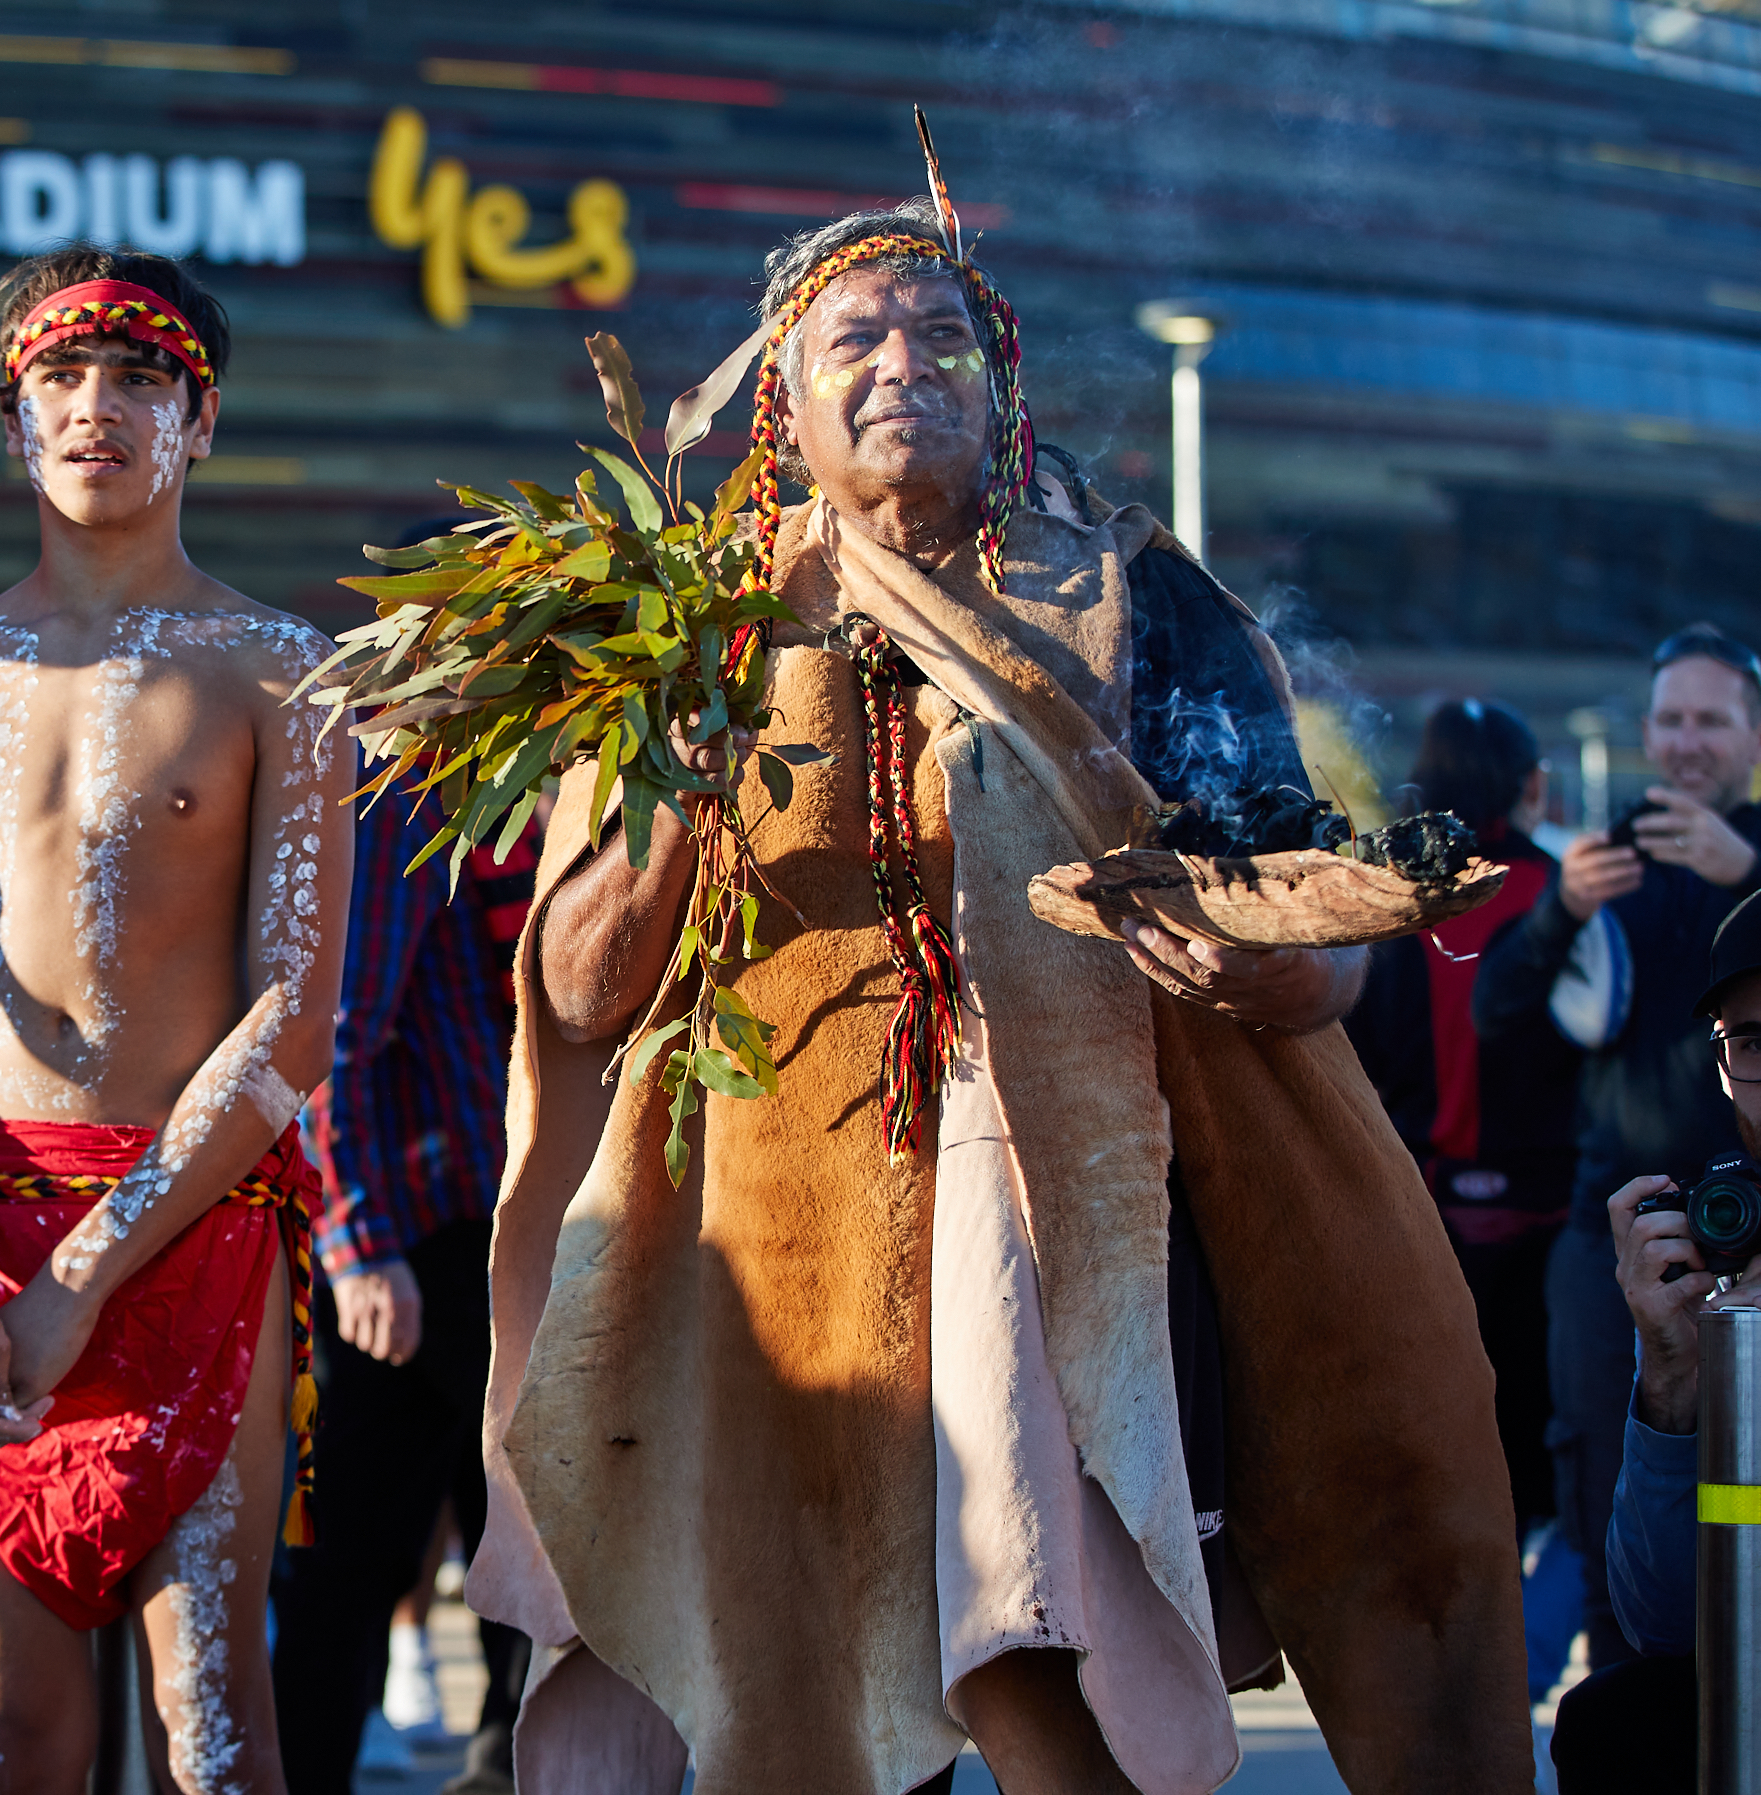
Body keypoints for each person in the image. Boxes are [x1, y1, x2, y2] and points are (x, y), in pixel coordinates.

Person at [480, 196, 1529, 1791]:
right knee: (793, 1686)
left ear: (1002, 380)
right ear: (787, 399)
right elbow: (576, 989)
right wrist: (684, 777)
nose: (905, 364)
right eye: (858, 338)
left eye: (942, 335)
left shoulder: (1130, 596)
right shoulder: (691, 620)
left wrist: (1270, 958)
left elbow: (1294, 908)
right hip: (782, 1250)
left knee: (1041, 1651)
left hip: (1054, 1207)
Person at [0, 243, 349, 1794]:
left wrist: (84, 1275)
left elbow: (290, 1031)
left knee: (215, 1732)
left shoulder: (282, 672)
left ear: (203, 422)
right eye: (60, 374)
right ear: (13, 424)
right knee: (10, 1743)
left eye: (140, 376)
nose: (96, 407)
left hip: (190, 1235)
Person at [1476, 624, 1761, 1668]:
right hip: (1621, 1231)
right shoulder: (1601, 860)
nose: (1689, 741)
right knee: (1609, 1494)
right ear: (1647, 730)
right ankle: (1622, 1721)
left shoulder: (1759, 851)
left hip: (1757, 1222)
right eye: (1673, 719)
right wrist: (1561, 910)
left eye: (1712, 720)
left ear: (1752, 734)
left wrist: (1750, 871)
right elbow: (1497, 1012)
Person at [272, 729, 534, 1795]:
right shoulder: (398, 803)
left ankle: (499, 1771)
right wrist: (360, 1245)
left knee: (518, 1553)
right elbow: (335, 1036)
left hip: (483, 1229)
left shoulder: (491, 790)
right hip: (417, 1244)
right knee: (348, 1569)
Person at [1345, 701, 1579, 1540]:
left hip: (1424, 1210)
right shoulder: (1564, 895)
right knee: (1548, 1471)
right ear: (1526, 785)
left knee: (1444, 1459)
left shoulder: (1388, 897)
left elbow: (1358, 1061)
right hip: (1550, 1218)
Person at [1545, 890, 1761, 1789]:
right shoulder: (1719, 1271)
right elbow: (1668, 1624)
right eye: (1755, 1046)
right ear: (1719, 1064)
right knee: (1615, 1720)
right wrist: (1677, 1384)